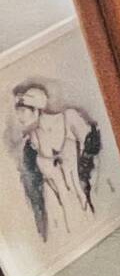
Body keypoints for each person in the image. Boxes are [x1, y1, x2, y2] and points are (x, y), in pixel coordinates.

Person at [8, 81, 102, 241]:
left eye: (22, 110)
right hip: (61, 217)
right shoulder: (32, 141)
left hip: (88, 204)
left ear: (36, 108)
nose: (19, 117)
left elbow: (94, 153)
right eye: (18, 111)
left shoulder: (69, 118)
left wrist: (87, 184)